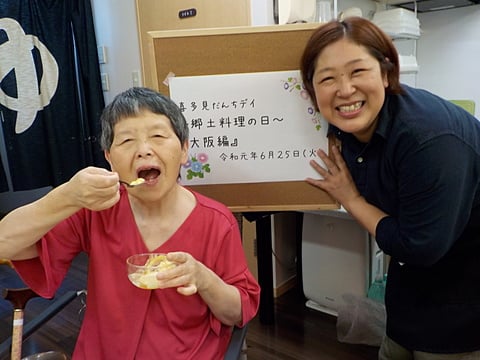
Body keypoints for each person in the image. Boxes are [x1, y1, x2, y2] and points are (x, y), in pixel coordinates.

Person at [0, 87, 260, 359]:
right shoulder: (96, 210)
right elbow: (5, 244)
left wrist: (202, 277)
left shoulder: (217, 222)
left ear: (184, 149)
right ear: (110, 159)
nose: (144, 150)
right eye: (126, 141)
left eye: (158, 136)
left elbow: (238, 312)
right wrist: (65, 197)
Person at [300, 17, 480, 359]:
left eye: (357, 72)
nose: (345, 90)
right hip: (407, 294)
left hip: (463, 301)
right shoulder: (344, 128)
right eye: (327, 78)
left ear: (386, 73)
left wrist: (351, 199)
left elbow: (419, 247)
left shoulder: (428, 139)